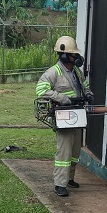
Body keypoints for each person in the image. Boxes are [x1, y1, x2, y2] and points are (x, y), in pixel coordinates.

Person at [36, 35, 93, 197]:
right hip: (63, 116)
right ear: (64, 55)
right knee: (64, 152)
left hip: (77, 114)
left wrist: (88, 94)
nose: (77, 57)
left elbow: (85, 85)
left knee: (75, 151)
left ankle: (69, 179)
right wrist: (62, 98)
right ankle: (59, 184)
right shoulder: (53, 72)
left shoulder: (76, 71)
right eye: (73, 54)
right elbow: (41, 90)